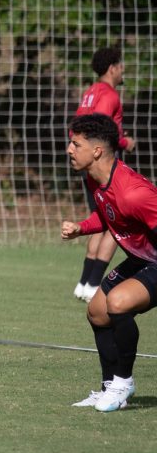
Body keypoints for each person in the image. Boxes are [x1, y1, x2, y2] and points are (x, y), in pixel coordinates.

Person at [61, 112, 152, 412]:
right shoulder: (95, 178)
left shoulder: (134, 194)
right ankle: (109, 389)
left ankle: (124, 382)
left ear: (97, 151)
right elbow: (107, 213)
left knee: (118, 303)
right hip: (141, 259)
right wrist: (81, 228)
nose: (69, 149)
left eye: (76, 144)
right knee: (98, 312)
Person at [72, 47, 137, 302]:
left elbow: (77, 129)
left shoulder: (90, 92)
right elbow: (98, 129)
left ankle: (84, 283)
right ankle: (94, 284)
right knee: (115, 223)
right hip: (102, 163)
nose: (123, 71)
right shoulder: (109, 95)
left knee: (99, 220)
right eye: (121, 66)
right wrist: (123, 143)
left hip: (89, 162)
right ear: (112, 68)